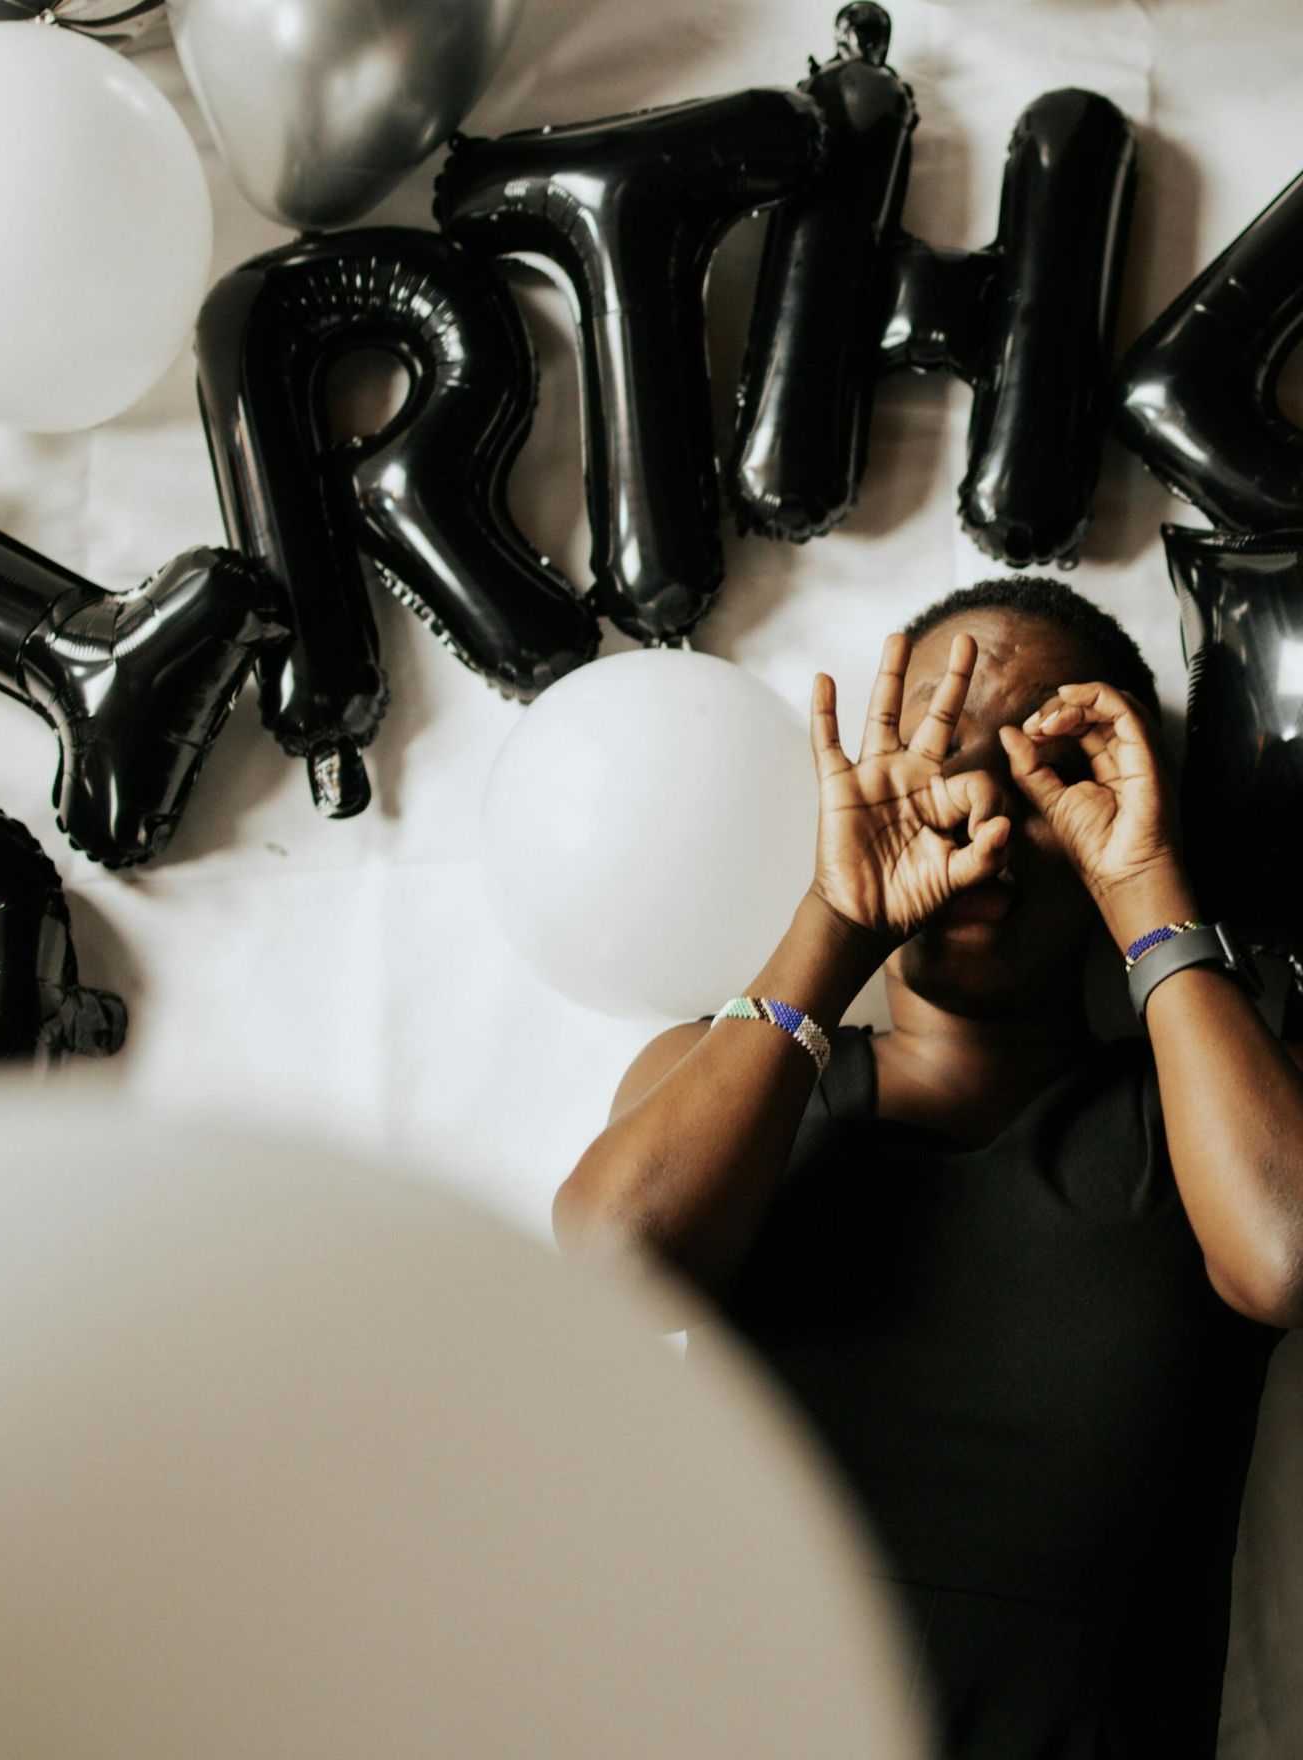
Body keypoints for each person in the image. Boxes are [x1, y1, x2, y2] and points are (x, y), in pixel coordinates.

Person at [556, 578, 1301, 1759]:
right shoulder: (728, 1073)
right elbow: (611, 1262)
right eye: (941, 759)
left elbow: (1287, 1252)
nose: (977, 813)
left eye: (1045, 771)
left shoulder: (1198, 1106)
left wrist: (1146, 884)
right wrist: (836, 915)